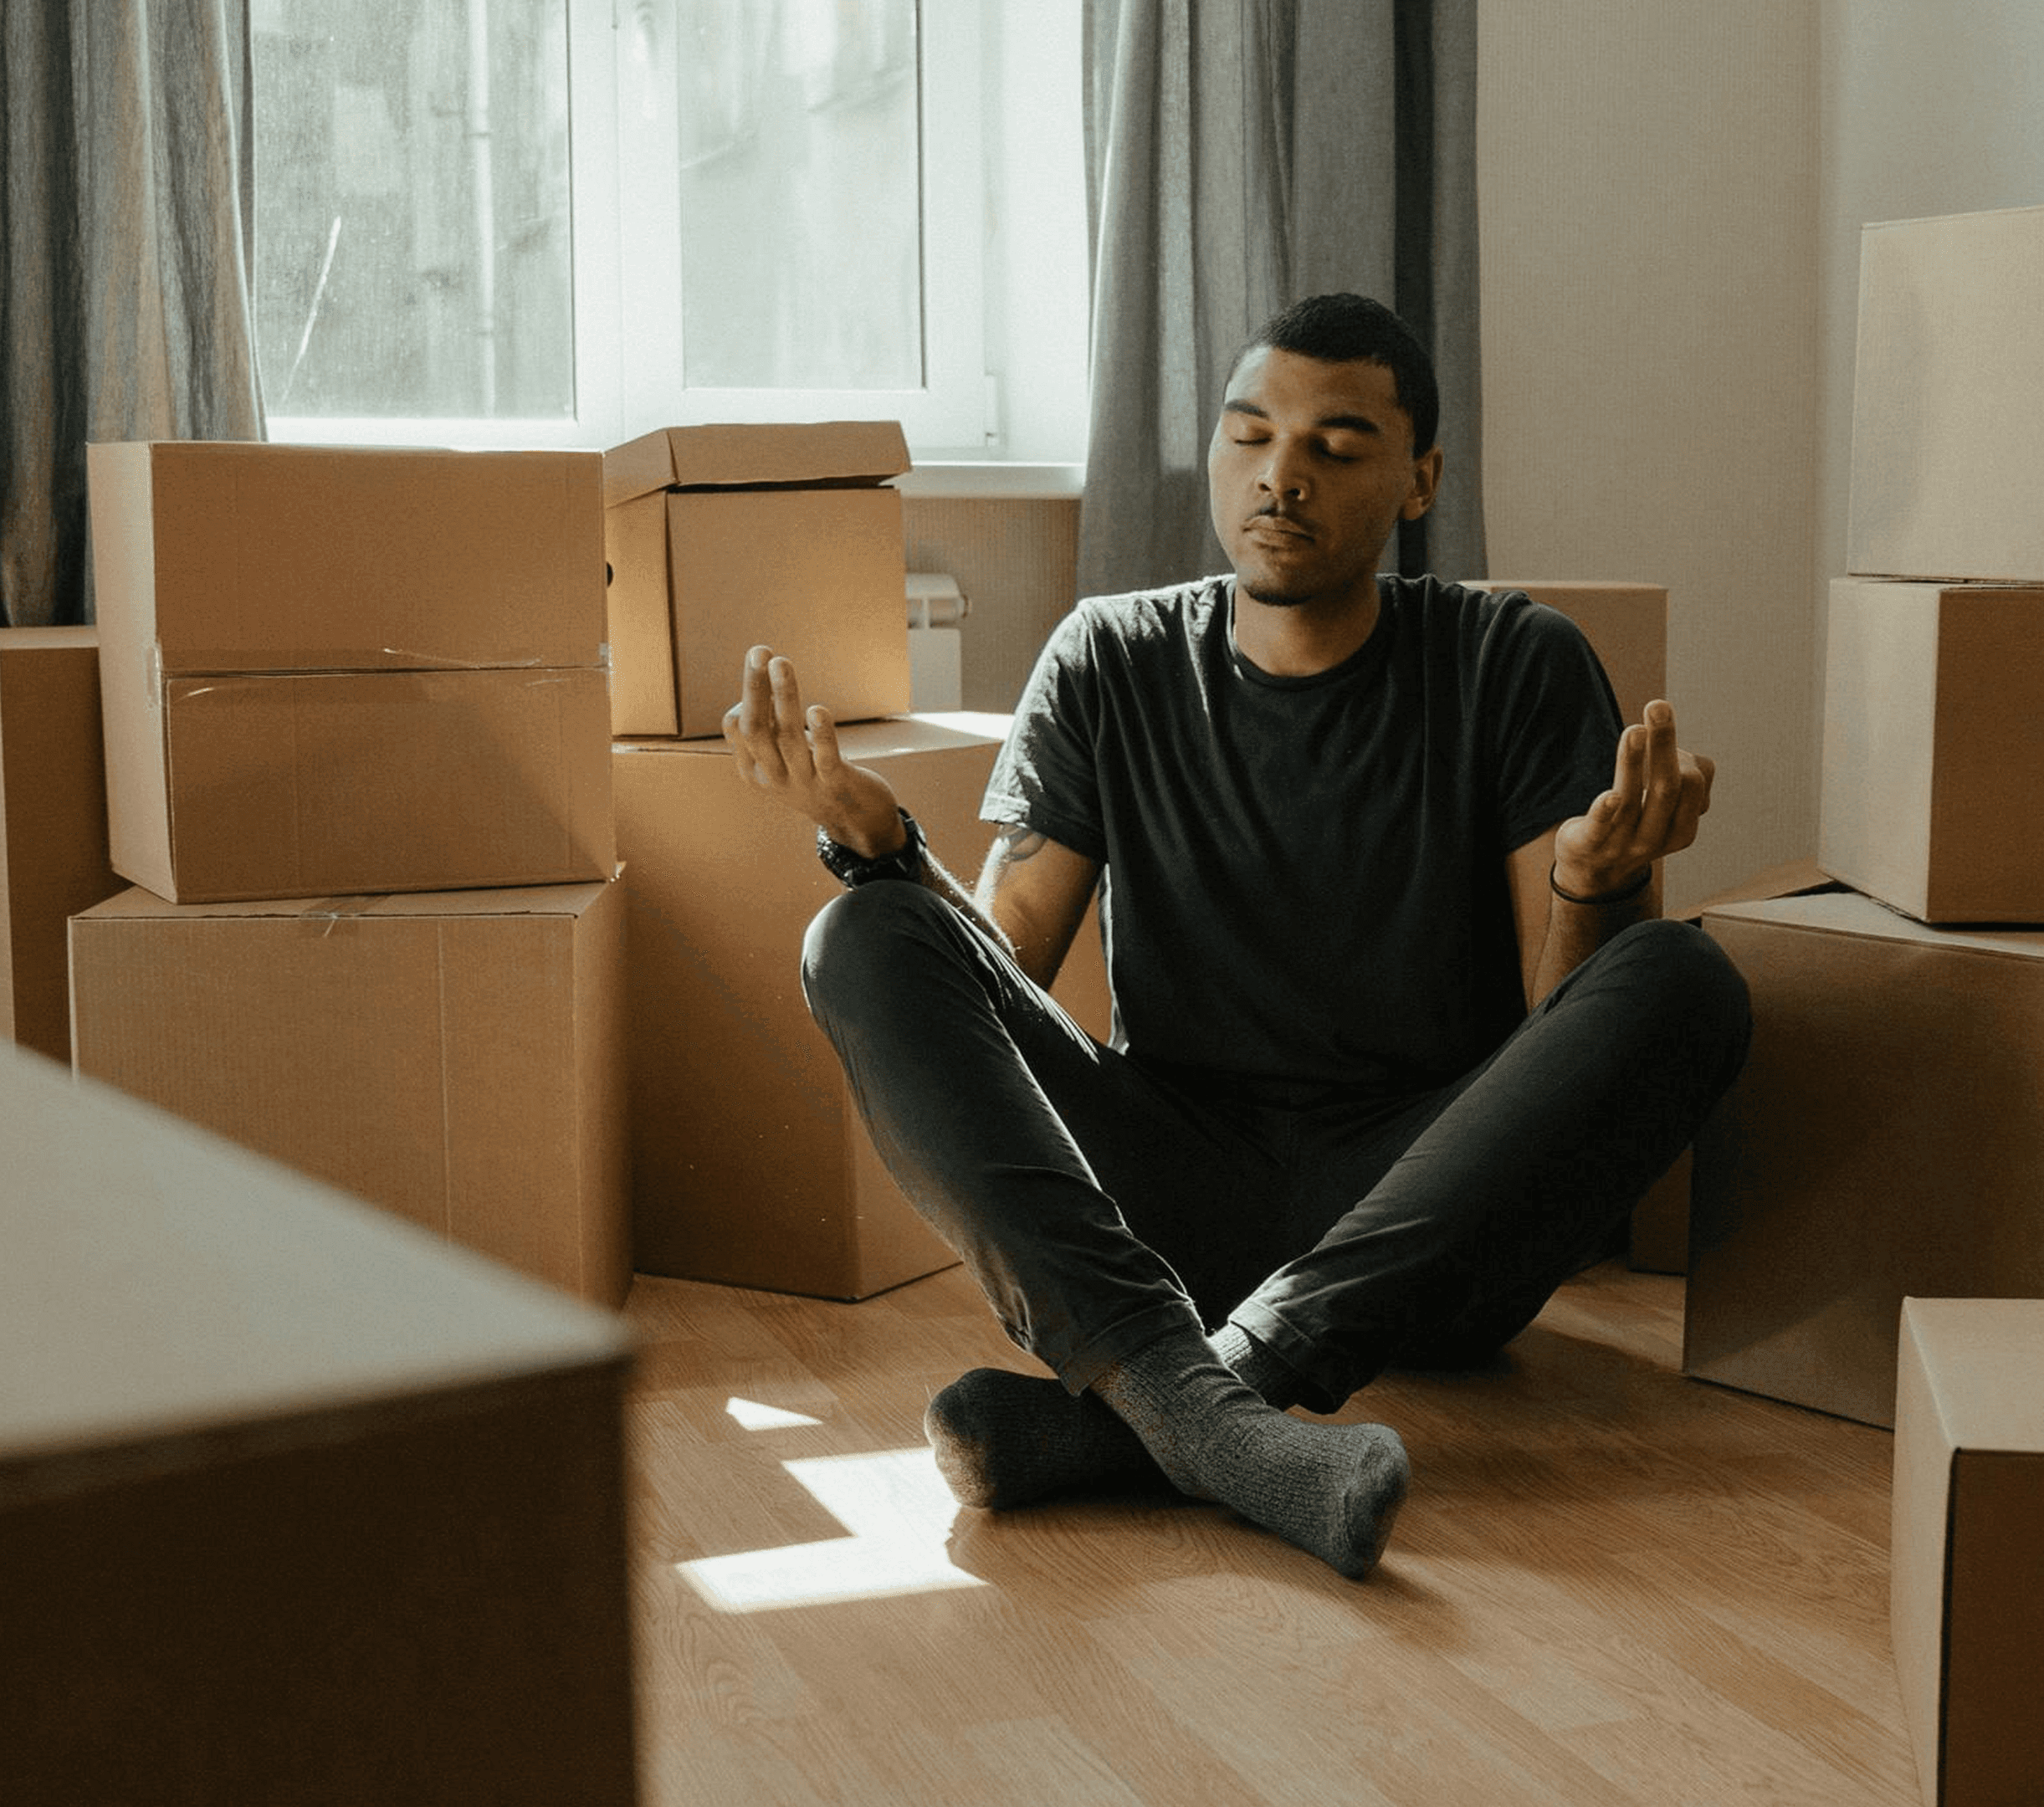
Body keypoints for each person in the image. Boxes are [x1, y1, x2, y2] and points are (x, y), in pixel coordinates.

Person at [724, 292, 1749, 1579]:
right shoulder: (1109, 657)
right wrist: (883, 851)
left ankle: (1166, 1405)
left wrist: (1597, 886)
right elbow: (1003, 965)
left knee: (1682, 974)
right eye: (1250, 435)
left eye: (1337, 444)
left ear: (1422, 479)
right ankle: (1197, 1400)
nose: (1280, 477)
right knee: (863, 929)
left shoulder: (1515, 659)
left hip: (1421, 1219)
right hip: (1161, 1211)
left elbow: (1565, 1034)